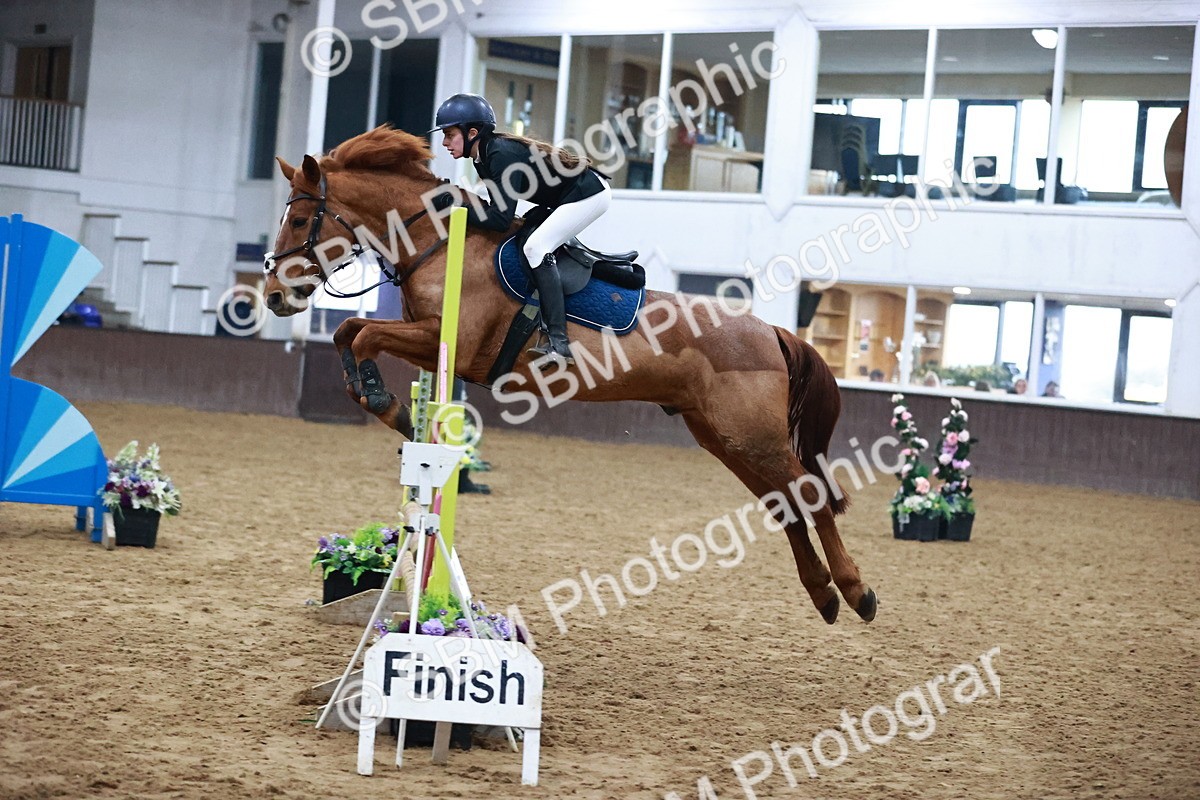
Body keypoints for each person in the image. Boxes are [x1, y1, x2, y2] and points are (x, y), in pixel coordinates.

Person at [431, 93, 612, 366]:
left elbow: (500, 220)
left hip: (589, 194)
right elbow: (497, 211)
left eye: (449, 134)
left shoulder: (499, 154)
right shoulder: (483, 158)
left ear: (471, 132)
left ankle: (560, 343)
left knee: (536, 247)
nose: (444, 142)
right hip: (564, 196)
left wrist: (456, 206)